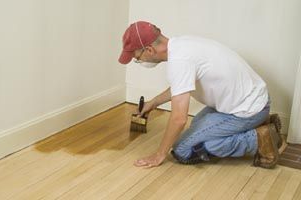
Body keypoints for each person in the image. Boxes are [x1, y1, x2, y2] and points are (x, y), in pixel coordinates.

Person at [118, 21, 282, 169]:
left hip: (248, 110)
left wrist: (159, 155)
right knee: (197, 124)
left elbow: (179, 118)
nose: (139, 62)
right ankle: (262, 124)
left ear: (149, 50)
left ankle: (260, 139)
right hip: (252, 101)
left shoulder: (180, 61)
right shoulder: (182, 44)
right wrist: (153, 103)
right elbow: (181, 85)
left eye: (137, 58)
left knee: (182, 149)